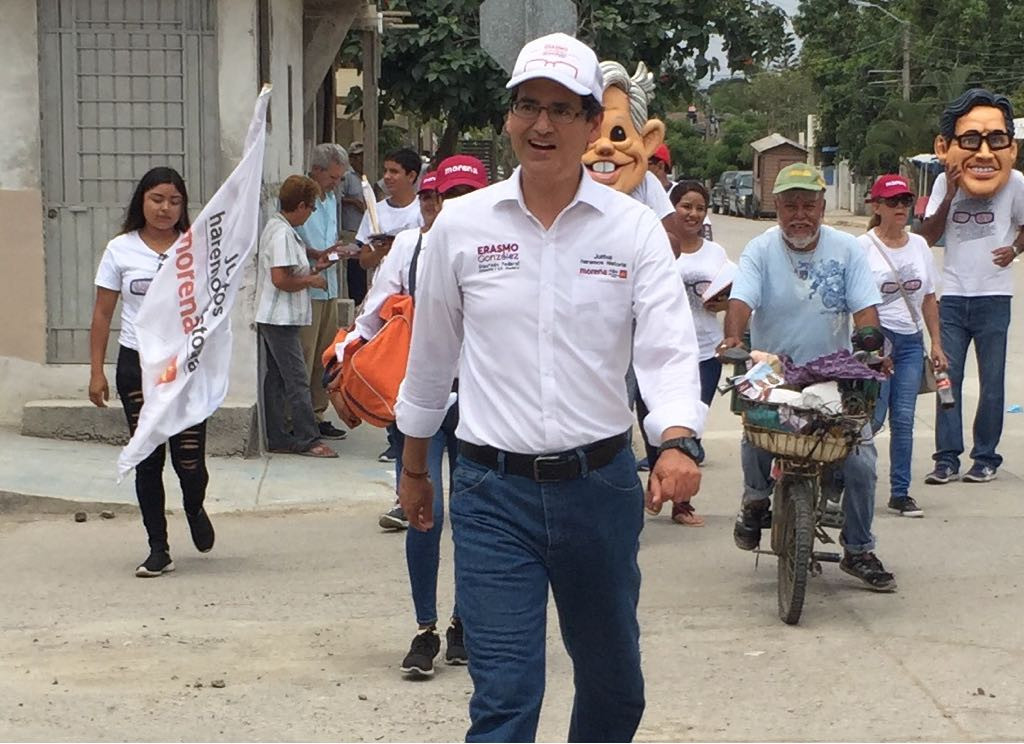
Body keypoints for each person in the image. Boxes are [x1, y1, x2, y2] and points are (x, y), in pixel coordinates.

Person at [395, 33, 706, 742]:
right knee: (506, 698)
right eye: (527, 107)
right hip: (489, 492)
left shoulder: (631, 231)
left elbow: (665, 347)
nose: (542, 125)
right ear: (507, 118)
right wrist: (414, 468)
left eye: (562, 111)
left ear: (594, 125)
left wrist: (676, 439)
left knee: (614, 690)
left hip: (598, 490)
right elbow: (430, 356)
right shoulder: (463, 228)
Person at [721, 162, 897, 592]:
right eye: (789, 206)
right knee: (756, 432)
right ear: (776, 207)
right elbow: (741, 299)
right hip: (775, 370)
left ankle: (858, 549)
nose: (799, 214)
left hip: (831, 375)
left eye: (808, 205)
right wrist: (731, 339)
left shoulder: (847, 249)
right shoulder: (760, 250)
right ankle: (755, 499)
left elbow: (865, 311)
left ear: (822, 207)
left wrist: (871, 347)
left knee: (861, 460)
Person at [349, 157, 490, 677]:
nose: (443, 205)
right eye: (435, 196)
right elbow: (373, 311)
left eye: (458, 194)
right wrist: (350, 355)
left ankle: (463, 623)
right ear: (425, 201)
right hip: (421, 401)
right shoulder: (408, 247)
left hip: (482, 404)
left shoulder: (499, 250)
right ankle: (425, 628)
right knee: (422, 513)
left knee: (478, 521)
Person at [89, 166, 215, 578]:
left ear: (183, 207)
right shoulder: (119, 250)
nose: (165, 208)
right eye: (157, 199)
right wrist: (96, 371)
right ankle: (158, 548)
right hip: (137, 366)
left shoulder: (196, 249)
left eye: (174, 201)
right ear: (142, 201)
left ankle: (194, 506)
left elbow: (214, 308)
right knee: (148, 457)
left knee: (189, 461)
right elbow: (103, 314)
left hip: (185, 368)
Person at [916, 88, 1024, 485]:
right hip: (953, 295)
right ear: (947, 146)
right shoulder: (948, 183)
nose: (983, 151)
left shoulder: (1015, 183)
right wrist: (951, 191)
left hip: (995, 296)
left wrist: (1013, 248)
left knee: (992, 382)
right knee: (948, 379)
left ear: (1009, 146)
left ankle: (986, 457)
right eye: (970, 140)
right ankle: (946, 458)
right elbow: (927, 234)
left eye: (996, 139)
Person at [858, 175, 947, 517]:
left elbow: (928, 299)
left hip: (910, 342)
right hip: (878, 341)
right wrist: (871, 347)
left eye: (906, 202)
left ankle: (900, 492)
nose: (900, 209)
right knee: (872, 418)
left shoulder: (920, 246)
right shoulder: (862, 247)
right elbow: (856, 301)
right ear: (876, 206)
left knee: (905, 419)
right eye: (892, 202)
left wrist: (936, 343)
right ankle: (844, 479)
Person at [255, 175, 337, 459]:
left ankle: (278, 435)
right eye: (311, 208)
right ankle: (307, 438)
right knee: (296, 377)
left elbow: (290, 272)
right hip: (280, 318)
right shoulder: (281, 234)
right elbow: (280, 279)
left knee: (278, 378)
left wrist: (316, 269)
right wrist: (311, 282)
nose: (311, 213)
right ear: (300, 205)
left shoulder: (284, 230)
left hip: (280, 316)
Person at [355, 147, 425, 466]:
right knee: (390, 370)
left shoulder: (422, 211)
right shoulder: (377, 211)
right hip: (386, 302)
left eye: (395, 172)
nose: (388, 177)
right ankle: (394, 436)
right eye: (386, 171)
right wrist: (383, 250)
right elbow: (363, 258)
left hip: (418, 303)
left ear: (412, 176)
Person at [296, 143, 350, 442]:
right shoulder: (301, 195)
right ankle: (298, 418)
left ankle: (317, 414)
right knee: (304, 355)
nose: (335, 183)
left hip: (329, 284)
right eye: (332, 177)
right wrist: (314, 252)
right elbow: (289, 232)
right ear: (316, 170)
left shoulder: (331, 198)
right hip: (307, 286)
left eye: (339, 178)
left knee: (324, 355)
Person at [341, 141, 369, 304]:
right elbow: (340, 197)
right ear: (352, 159)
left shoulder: (365, 176)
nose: (362, 161)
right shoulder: (348, 177)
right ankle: (356, 299)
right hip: (351, 229)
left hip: (363, 229)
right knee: (354, 266)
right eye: (358, 158)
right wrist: (354, 202)